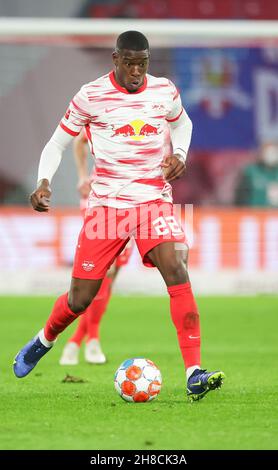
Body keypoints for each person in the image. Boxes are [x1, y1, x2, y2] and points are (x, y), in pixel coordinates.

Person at [13, 30, 225, 402]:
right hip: (106, 208)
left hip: (152, 201)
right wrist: (43, 182)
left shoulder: (164, 91)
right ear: (115, 60)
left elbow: (183, 124)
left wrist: (180, 154)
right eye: (129, 63)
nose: (136, 71)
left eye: (142, 63)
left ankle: (194, 372)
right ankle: (44, 338)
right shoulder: (91, 95)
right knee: (80, 298)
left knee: (176, 265)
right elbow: (58, 142)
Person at [59, 131, 132, 365]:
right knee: (104, 271)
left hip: (136, 202)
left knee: (112, 276)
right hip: (102, 198)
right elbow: (79, 139)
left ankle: (74, 342)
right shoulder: (113, 110)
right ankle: (93, 341)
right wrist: (82, 176)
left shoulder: (159, 125)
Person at [234, 141, 278, 207]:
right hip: (254, 213)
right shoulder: (250, 171)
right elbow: (240, 196)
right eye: (268, 151)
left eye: (274, 152)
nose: (271, 154)